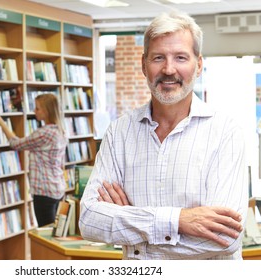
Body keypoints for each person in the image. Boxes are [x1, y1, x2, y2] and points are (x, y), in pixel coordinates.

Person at [79, 11, 248, 260]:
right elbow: (89, 220)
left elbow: (225, 238)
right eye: (158, 58)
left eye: (181, 57)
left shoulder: (225, 132)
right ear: (143, 64)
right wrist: (179, 220)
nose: (169, 69)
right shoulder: (119, 132)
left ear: (199, 65)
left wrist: (132, 230)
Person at [0, 93, 68, 227]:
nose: (34, 111)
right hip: (57, 188)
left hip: (44, 191)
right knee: (54, 233)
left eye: (37, 108)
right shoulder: (61, 131)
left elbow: (16, 144)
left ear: (47, 111)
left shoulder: (45, 133)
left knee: (46, 235)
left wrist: (0, 121)